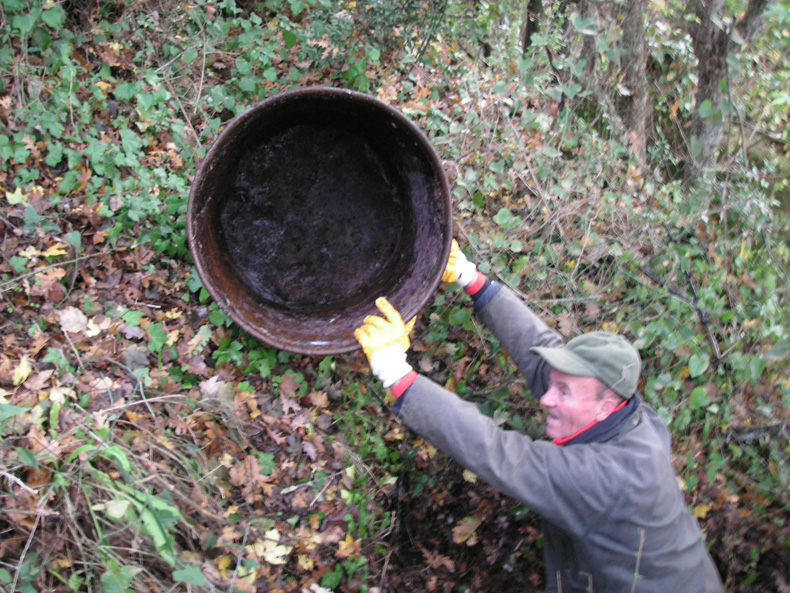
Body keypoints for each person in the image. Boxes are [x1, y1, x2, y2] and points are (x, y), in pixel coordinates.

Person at [354, 239, 725, 593]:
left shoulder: (604, 478)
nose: (546, 397)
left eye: (563, 392)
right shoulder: (631, 418)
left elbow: (496, 452)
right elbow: (545, 352)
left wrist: (397, 373)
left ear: (605, 406)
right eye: (556, 385)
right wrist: (472, 278)